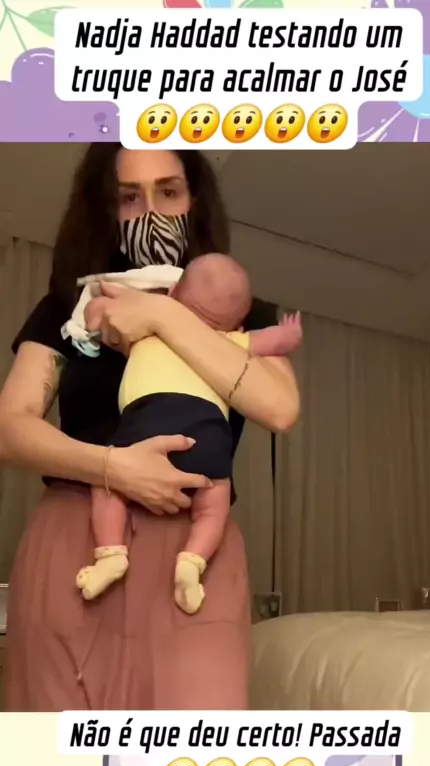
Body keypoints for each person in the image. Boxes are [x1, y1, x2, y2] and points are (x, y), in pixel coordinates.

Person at [0, 144, 300, 711]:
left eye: (169, 191)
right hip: (77, 541)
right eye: (129, 197)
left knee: (196, 750)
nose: (152, 212)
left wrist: (162, 313)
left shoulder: (243, 311)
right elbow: (10, 429)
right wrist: (114, 467)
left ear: (195, 201)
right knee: (57, 754)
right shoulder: (71, 307)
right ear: (105, 209)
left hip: (197, 550)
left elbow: (280, 407)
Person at [75, 253, 302, 612]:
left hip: (145, 421)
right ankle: (192, 561)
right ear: (238, 322)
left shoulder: (147, 331)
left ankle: (111, 554)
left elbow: (100, 316)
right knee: (214, 503)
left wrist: (102, 299)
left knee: (108, 484)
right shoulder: (230, 342)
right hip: (206, 431)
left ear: (174, 292)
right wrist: (288, 334)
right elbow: (271, 343)